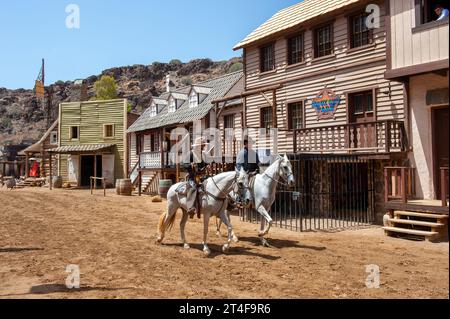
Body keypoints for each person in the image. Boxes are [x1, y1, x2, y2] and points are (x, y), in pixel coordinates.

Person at [182, 137, 209, 219]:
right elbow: (184, 165)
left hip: (203, 177)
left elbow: (204, 164)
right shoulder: (190, 154)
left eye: (203, 145)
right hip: (193, 177)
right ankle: (191, 208)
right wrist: (190, 165)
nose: (204, 147)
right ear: (198, 146)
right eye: (202, 145)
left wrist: (207, 166)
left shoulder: (202, 154)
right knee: (193, 188)